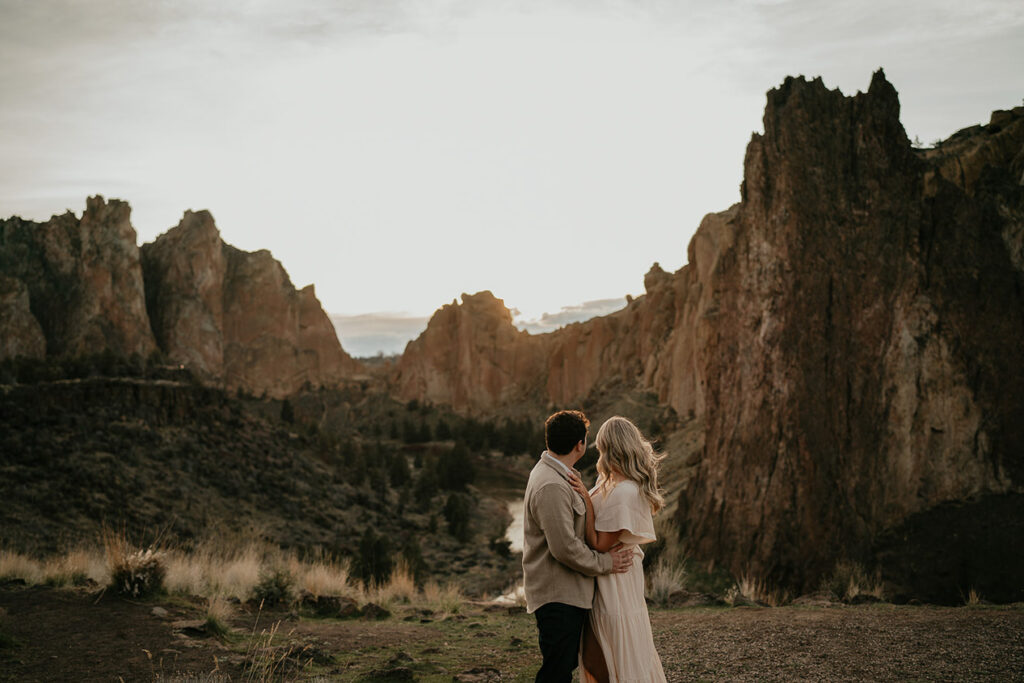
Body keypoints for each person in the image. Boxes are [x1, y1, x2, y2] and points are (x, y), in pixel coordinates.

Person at [523, 409, 634, 683]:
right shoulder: (551, 485)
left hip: (566, 592)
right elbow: (565, 549)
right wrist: (607, 563)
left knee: (564, 665)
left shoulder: (561, 475)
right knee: (557, 671)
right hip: (557, 595)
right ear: (580, 445)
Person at [567, 415, 668, 683]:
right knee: (593, 653)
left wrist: (586, 502)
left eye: (601, 448)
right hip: (605, 576)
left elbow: (600, 543)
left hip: (616, 581)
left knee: (609, 651)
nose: (599, 454)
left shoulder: (625, 492)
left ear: (611, 448)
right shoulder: (609, 482)